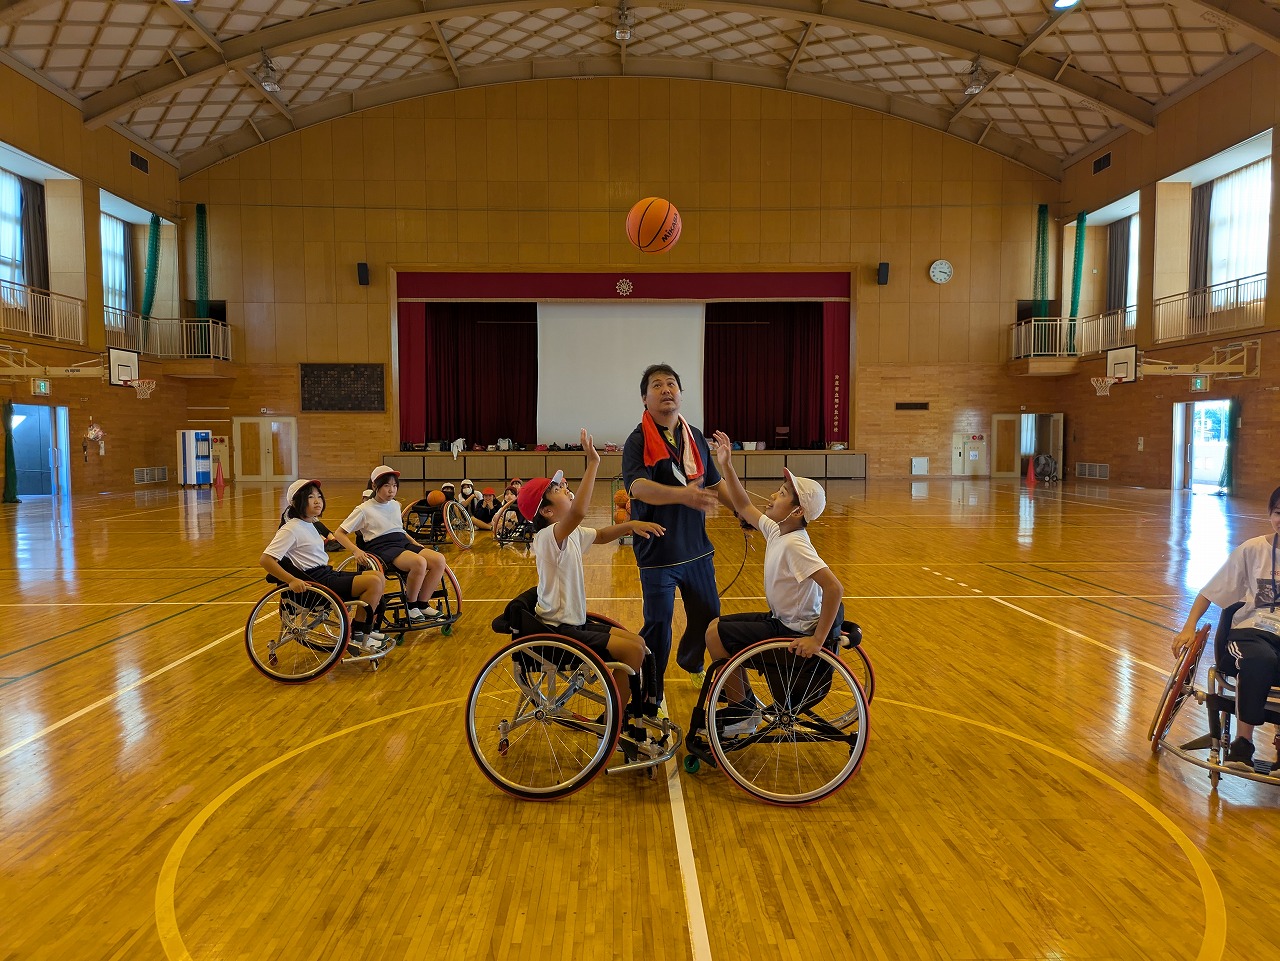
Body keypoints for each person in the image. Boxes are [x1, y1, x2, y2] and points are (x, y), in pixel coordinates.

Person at [706, 432, 845, 734]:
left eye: (781, 494)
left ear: (797, 511)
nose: (772, 496)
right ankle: (743, 703)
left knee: (715, 635)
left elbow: (834, 588)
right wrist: (726, 465)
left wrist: (817, 640)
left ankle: (743, 712)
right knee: (715, 628)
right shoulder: (777, 530)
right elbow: (744, 505)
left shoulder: (796, 544)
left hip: (793, 633)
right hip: (780, 620)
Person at [518, 429, 665, 713]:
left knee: (638, 643)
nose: (566, 489)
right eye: (558, 490)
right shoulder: (547, 537)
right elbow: (578, 513)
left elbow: (600, 535)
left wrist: (631, 525)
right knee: (632, 651)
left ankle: (621, 710)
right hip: (558, 631)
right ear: (546, 511)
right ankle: (614, 719)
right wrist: (594, 462)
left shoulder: (569, 533)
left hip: (575, 624)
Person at [623, 363, 733, 706]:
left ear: (681, 394)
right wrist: (682, 495)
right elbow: (638, 488)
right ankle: (651, 693)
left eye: (671, 383)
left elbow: (715, 484)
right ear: (645, 398)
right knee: (658, 625)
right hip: (658, 553)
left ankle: (691, 660)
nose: (666, 389)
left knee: (708, 615)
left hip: (696, 550)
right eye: (657, 385)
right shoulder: (637, 441)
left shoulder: (694, 436)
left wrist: (744, 514)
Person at [1173, 484, 1280, 773]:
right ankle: (1242, 744)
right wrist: (1189, 626)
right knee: (1259, 660)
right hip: (1251, 633)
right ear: (1270, 514)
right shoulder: (1253, 550)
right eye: (1278, 513)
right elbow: (1210, 591)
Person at [261, 479, 388, 652]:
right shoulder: (290, 529)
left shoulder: (310, 524)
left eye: (319, 496)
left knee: (378, 576)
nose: (317, 501)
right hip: (314, 582)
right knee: (373, 583)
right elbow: (266, 560)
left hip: (325, 573)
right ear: (296, 502)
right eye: (310, 497)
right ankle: (357, 634)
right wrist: (291, 580)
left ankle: (362, 629)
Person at [337, 466, 446, 623]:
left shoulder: (395, 505)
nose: (391, 490)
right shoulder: (363, 509)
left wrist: (414, 542)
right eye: (387, 485)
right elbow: (339, 533)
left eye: (394, 486)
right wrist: (355, 550)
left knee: (439, 560)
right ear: (375, 486)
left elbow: (398, 529)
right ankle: (411, 606)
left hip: (401, 541)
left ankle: (422, 603)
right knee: (419, 563)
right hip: (381, 547)